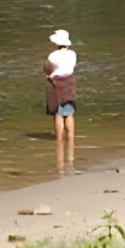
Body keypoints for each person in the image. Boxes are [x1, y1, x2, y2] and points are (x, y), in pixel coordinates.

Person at [44, 29, 79, 172]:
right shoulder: (73, 54)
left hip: (56, 83)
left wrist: (49, 74)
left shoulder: (53, 55)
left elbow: (47, 68)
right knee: (69, 112)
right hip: (69, 82)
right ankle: (71, 140)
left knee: (58, 112)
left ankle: (59, 140)